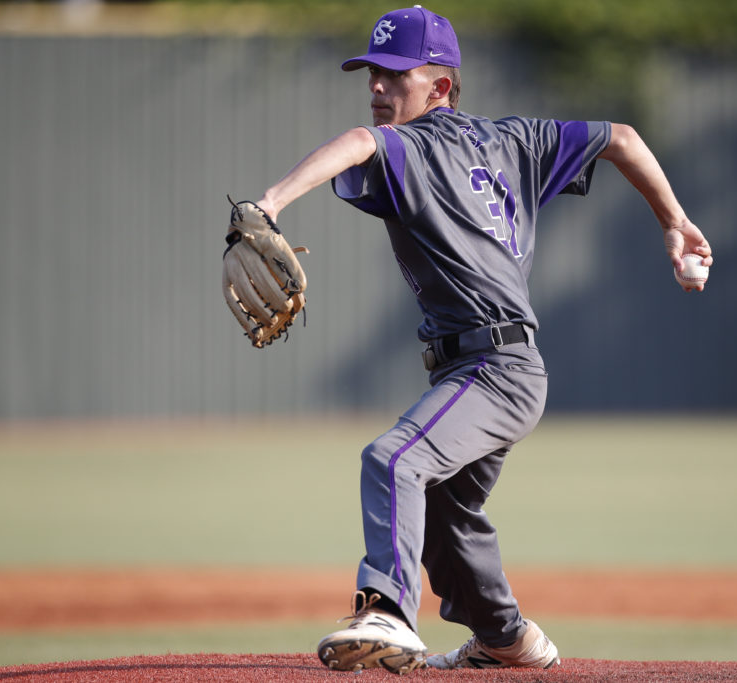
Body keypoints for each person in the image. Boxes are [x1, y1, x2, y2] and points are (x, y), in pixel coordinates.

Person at [253, 5, 713, 674]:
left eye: (394, 75)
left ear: (441, 86)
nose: (378, 88)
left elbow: (359, 142)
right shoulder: (516, 141)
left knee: (393, 459)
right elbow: (621, 136)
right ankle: (508, 639)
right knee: (449, 519)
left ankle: (385, 604)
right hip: (492, 368)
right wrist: (675, 220)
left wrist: (270, 203)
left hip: (494, 368)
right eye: (371, 74)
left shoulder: (409, 145)